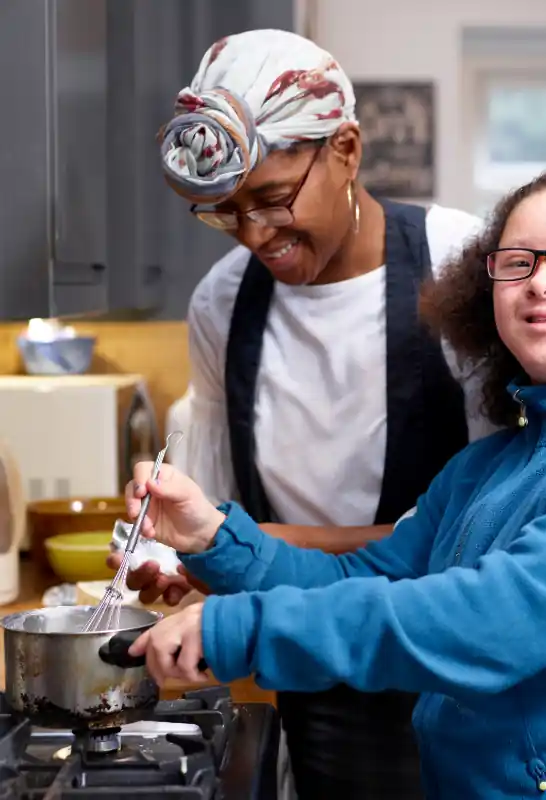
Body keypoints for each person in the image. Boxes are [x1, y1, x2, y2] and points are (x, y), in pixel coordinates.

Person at [124, 161, 546, 798]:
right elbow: (362, 579)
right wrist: (213, 536)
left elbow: (484, 627)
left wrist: (243, 627)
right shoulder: (488, 465)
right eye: (517, 262)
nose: (541, 281)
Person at [107, 27, 489, 800]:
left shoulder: (459, 265)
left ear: (345, 149)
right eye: (223, 212)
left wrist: (246, 544)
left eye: (273, 200)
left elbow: (482, 538)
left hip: (455, 676)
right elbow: (217, 503)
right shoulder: (224, 299)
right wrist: (185, 556)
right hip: (308, 665)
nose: (255, 236)